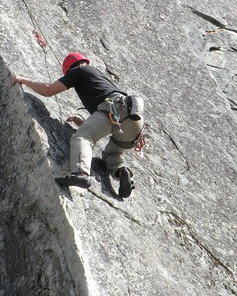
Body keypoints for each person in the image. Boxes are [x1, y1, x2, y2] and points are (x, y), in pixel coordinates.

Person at [11, 52, 144, 198]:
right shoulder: (98, 75)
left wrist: (23, 80)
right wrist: (83, 122)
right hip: (134, 120)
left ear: (69, 69)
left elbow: (49, 90)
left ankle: (81, 174)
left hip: (114, 109)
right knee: (113, 153)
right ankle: (121, 171)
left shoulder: (78, 71)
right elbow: (105, 123)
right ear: (84, 61)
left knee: (82, 137)